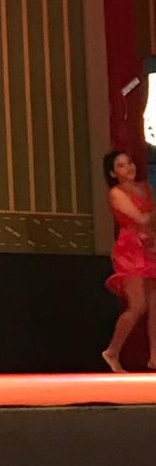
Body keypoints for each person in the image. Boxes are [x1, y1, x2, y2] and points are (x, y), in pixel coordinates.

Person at [101, 149, 156, 372]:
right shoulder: (116, 192)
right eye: (121, 165)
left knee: (154, 303)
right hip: (130, 250)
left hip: (149, 246)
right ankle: (112, 351)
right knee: (138, 305)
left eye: (129, 162)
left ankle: (155, 356)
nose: (129, 168)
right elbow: (140, 218)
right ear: (113, 173)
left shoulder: (145, 188)